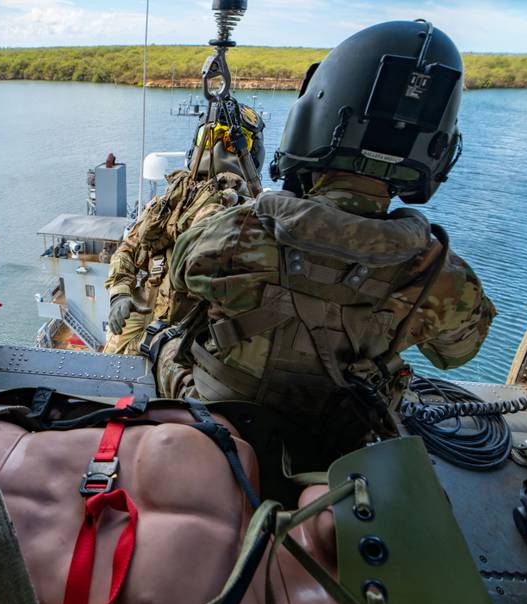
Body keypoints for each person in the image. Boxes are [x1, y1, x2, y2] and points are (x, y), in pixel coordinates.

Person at [153, 20, 497, 450]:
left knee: (162, 340)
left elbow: (179, 293)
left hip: (223, 436)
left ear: (311, 124)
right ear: (438, 152)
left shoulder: (233, 233)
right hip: (345, 447)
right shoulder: (440, 274)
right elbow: (455, 354)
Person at [103, 103, 266, 355]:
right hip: (140, 314)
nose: (219, 148)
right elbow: (128, 248)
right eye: (210, 137)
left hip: (184, 336)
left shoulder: (248, 213)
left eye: (233, 141)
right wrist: (120, 294)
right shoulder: (171, 199)